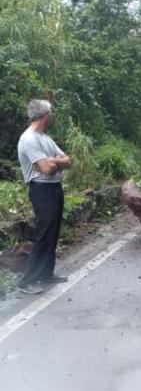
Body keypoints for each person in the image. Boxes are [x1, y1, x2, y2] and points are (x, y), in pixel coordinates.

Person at [16, 100, 72, 295]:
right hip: (41, 190)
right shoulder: (29, 139)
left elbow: (68, 161)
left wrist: (52, 161)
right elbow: (47, 170)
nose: (51, 116)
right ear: (46, 114)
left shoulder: (45, 139)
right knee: (43, 233)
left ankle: (46, 273)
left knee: (53, 232)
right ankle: (27, 281)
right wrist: (54, 163)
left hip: (54, 188)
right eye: (51, 112)